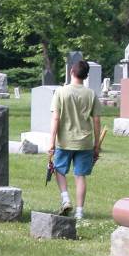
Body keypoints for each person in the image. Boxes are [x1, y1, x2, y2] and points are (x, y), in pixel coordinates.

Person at [48, 60, 102, 220]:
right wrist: (97, 145)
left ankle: (65, 199)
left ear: (72, 72)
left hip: (64, 141)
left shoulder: (60, 92)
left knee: (59, 170)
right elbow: (97, 121)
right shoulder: (91, 94)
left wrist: (51, 141)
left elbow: (55, 119)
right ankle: (79, 212)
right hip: (85, 142)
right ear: (86, 76)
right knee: (80, 176)